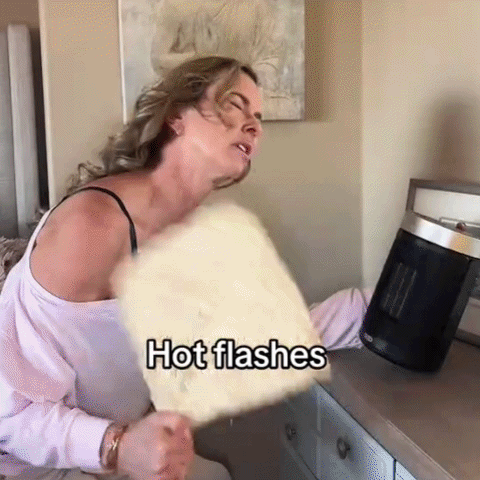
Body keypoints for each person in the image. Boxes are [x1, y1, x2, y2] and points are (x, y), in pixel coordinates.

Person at [0, 56, 263, 480]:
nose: (253, 126)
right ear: (177, 118)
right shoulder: (92, 227)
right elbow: (10, 418)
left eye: (258, 118)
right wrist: (117, 447)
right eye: (235, 105)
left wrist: (362, 313)